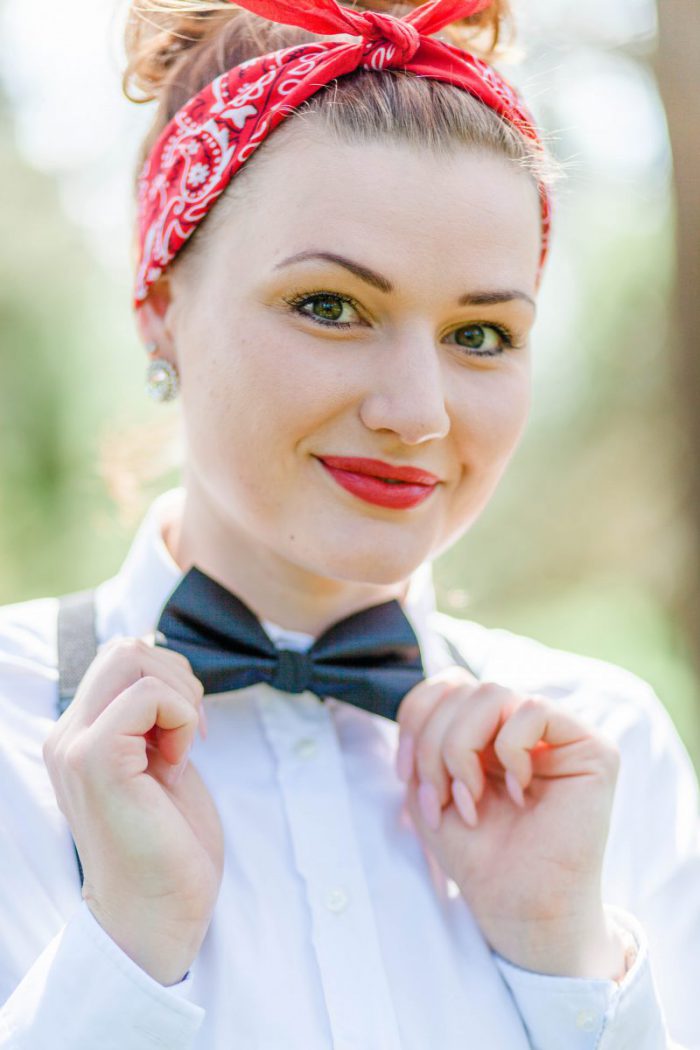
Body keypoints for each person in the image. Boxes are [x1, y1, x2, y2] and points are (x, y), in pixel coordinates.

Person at [0, 0, 698, 1046]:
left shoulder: (605, 753)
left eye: (480, 333)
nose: (418, 414)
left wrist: (566, 968)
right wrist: (124, 950)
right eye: (330, 306)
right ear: (160, 308)